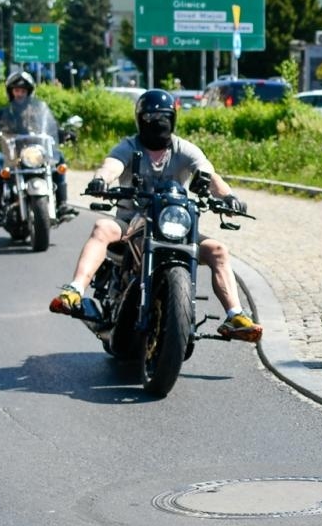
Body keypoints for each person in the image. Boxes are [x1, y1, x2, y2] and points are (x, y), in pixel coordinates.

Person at [48, 89, 263, 342]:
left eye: (163, 117)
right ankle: (75, 290)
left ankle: (235, 315)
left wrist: (229, 197)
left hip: (175, 223)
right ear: (140, 120)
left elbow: (208, 173)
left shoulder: (184, 148)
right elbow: (111, 165)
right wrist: (101, 180)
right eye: (151, 117)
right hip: (131, 223)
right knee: (102, 227)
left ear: (172, 119)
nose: (157, 122)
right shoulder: (129, 146)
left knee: (218, 250)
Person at [0, 70, 69, 223]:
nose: (20, 93)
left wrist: (63, 133)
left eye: (23, 90)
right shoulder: (3, 112)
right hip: (12, 154)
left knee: (59, 157)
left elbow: (51, 127)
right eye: (17, 90)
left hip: (35, 154)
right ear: (11, 92)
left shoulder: (39, 110)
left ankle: (62, 204)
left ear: (28, 92)